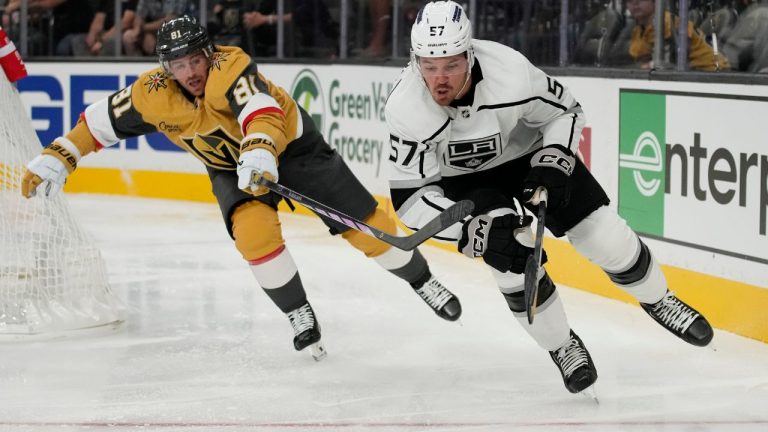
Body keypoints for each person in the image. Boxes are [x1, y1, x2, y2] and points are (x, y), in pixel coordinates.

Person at [20, 15, 461, 360]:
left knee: (367, 228)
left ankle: (422, 281)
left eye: (196, 58)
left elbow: (260, 107)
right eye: (180, 64)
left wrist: (260, 148)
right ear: (165, 68)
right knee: (254, 237)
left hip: (291, 150)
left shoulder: (230, 65)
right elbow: (99, 122)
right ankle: (298, 313)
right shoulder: (151, 93)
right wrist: (61, 155)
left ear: (208, 53)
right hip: (231, 169)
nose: (191, 70)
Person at [385, 1, 714, 394]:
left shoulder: (510, 71)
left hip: (528, 155)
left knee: (602, 234)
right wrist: (475, 229)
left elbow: (566, 112)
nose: (439, 79)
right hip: (466, 186)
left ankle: (659, 299)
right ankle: (562, 346)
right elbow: (412, 198)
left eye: (452, 65)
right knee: (513, 264)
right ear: (414, 59)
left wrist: (553, 160)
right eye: (429, 66)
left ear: (470, 54)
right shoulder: (406, 107)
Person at [627, 0, 730, 71]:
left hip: (711, 71)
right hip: (692, 73)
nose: (635, 3)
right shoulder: (637, 30)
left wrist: (646, 66)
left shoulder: (666, 22)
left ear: (655, 2)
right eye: (629, 1)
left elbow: (669, 64)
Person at [71, 0, 138, 57]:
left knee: (112, 42)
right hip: (105, 32)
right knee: (78, 40)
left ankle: (102, 69)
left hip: (122, 32)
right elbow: (99, 19)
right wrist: (92, 35)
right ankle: (86, 69)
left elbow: (127, 21)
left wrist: (101, 41)